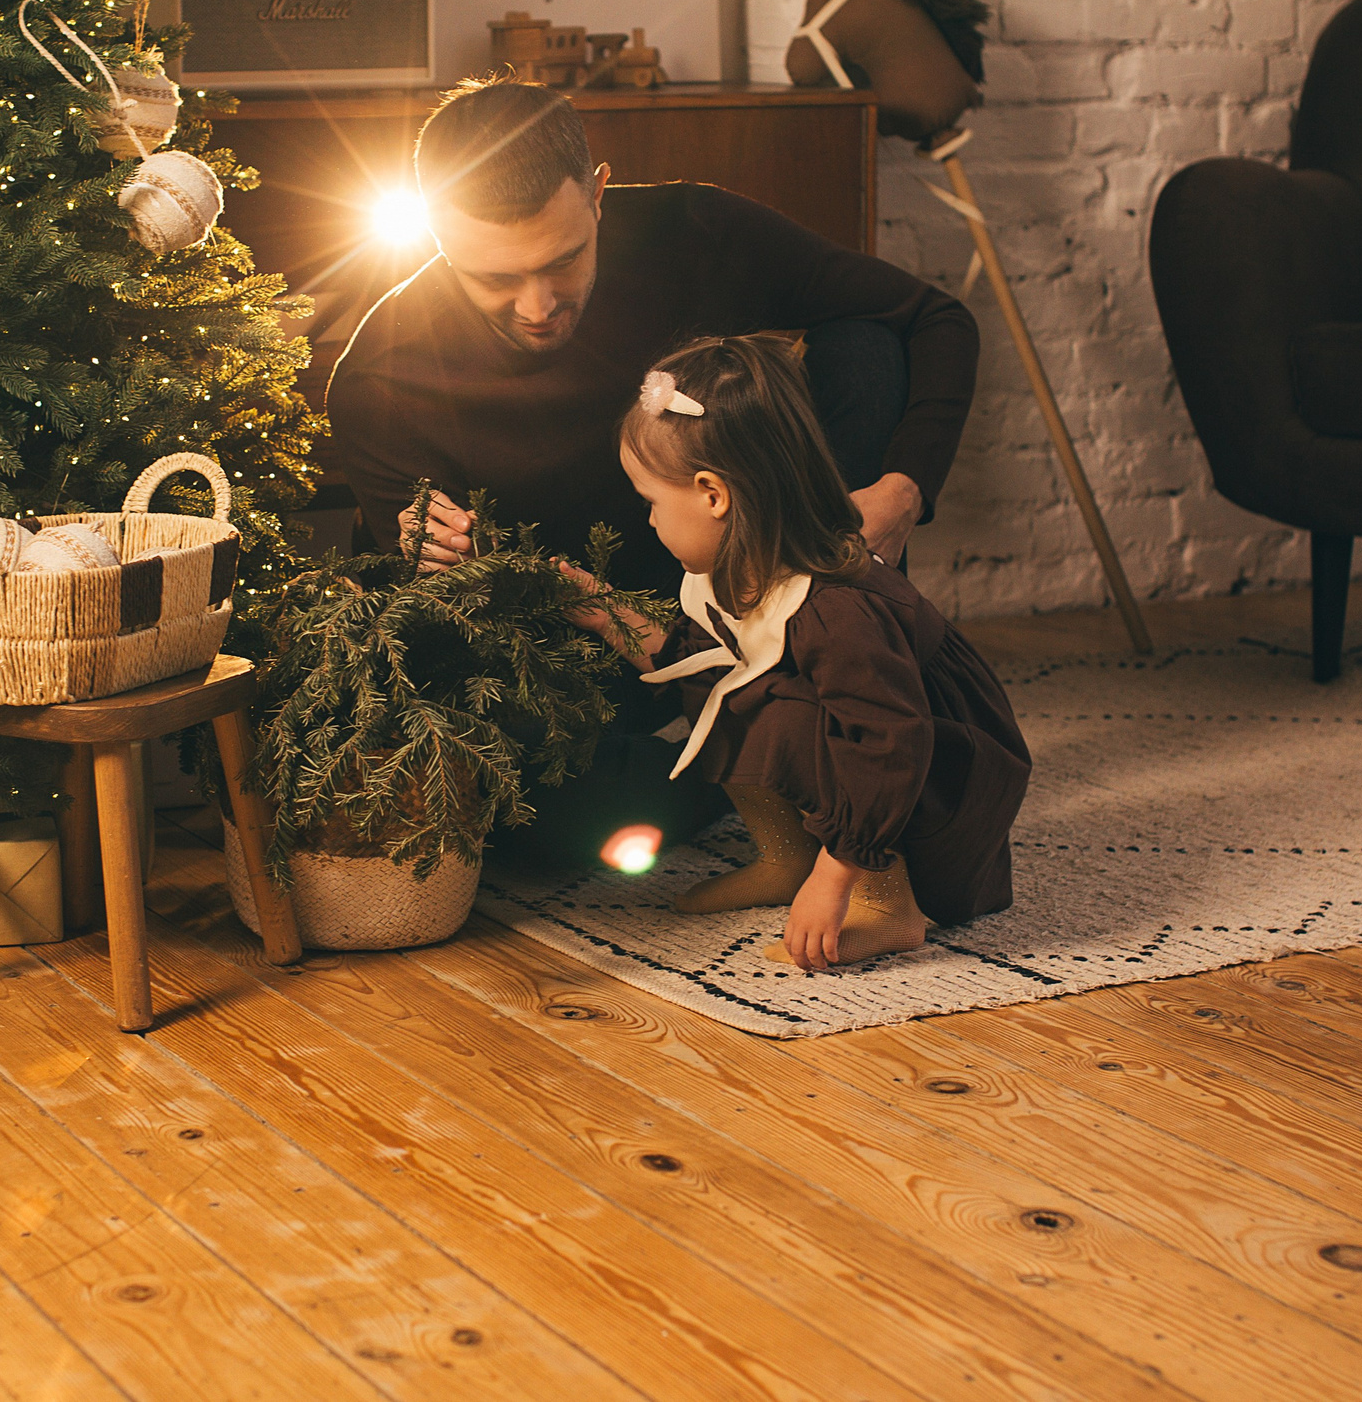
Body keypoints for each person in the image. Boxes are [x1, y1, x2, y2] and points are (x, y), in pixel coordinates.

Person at [325, 77, 980, 601]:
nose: (538, 305)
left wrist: (904, 488)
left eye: (563, 259)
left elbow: (936, 319)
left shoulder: (689, 230)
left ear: (599, 193)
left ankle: (846, 645)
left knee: (868, 347)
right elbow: (449, 628)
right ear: (436, 233)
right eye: (496, 276)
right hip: (572, 636)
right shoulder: (382, 378)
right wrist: (432, 558)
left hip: (741, 579)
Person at [559, 336, 1031, 971]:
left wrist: (833, 879)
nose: (648, 523)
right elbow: (686, 657)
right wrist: (595, 607)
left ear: (712, 495)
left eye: (652, 503)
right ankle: (786, 857)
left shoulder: (834, 610)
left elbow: (890, 745)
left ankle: (886, 899)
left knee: (791, 716)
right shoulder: (734, 567)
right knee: (723, 684)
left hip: (935, 784)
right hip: (893, 768)